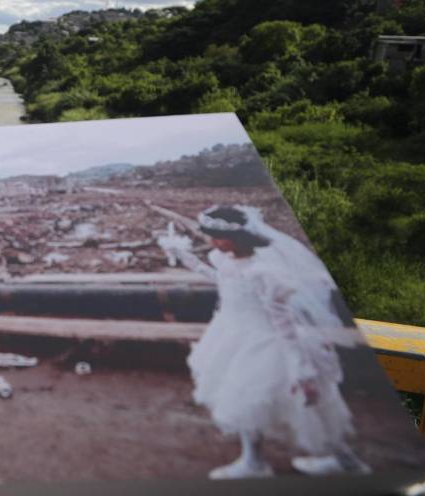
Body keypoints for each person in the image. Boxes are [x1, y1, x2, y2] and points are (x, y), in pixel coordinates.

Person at [158, 205, 369, 480]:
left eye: (217, 236)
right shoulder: (228, 261)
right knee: (245, 400)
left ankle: (345, 461)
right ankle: (254, 460)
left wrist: (301, 368)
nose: (212, 242)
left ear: (236, 238)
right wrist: (186, 258)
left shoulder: (264, 273)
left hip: (264, 341)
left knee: (300, 406)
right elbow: (223, 280)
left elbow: (284, 324)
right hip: (233, 334)